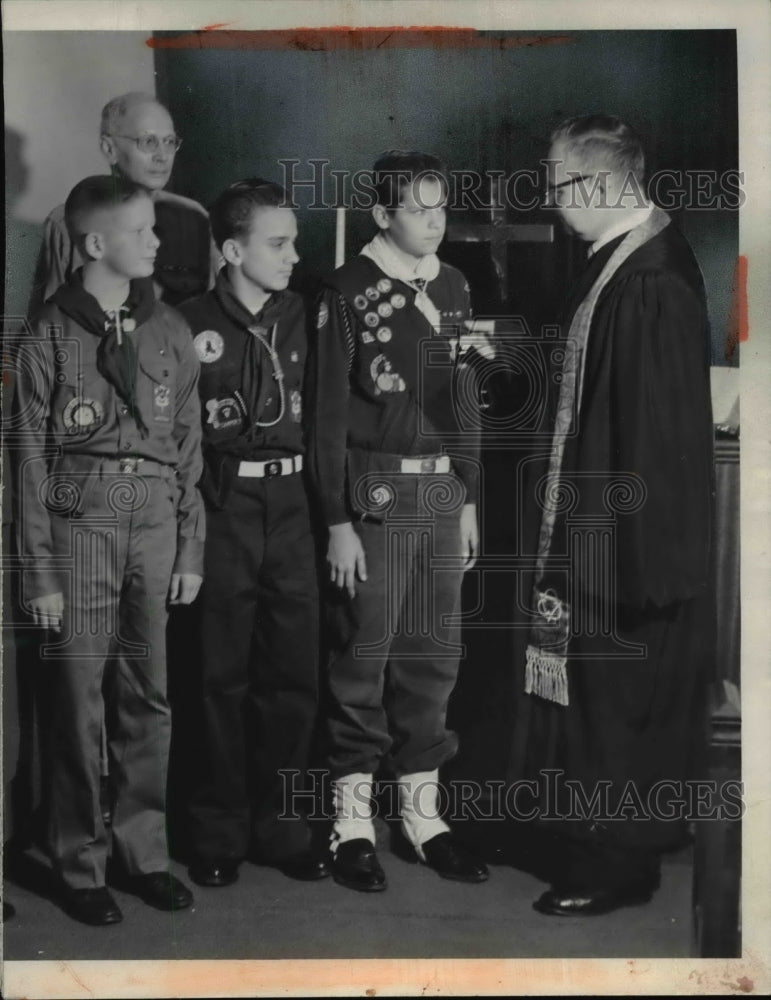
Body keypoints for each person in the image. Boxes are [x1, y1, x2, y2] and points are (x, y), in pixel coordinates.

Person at [510, 114, 715, 916]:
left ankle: (615, 865)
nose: (555, 203)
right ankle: (609, 839)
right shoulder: (620, 260)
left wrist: (636, 563)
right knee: (602, 701)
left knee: (618, 697)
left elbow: (655, 434)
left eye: (560, 185)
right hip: (601, 527)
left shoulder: (648, 280)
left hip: (627, 546)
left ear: (600, 183)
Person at [12, 174, 204, 925]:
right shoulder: (50, 336)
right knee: (77, 700)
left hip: (153, 521)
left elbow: (190, 448)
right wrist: (41, 570)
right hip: (79, 520)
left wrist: (189, 548)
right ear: (96, 244)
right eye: (142, 232)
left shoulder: (170, 330)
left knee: (147, 695)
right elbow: (28, 460)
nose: (157, 244)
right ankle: (77, 861)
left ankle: (142, 854)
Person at [307, 150, 489, 892]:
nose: (434, 221)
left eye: (440, 207)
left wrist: (469, 492)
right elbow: (323, 419)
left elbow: (464, 397)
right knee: (364, 653)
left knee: (433, 654)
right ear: (383, 216)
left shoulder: (452, 284)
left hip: (441, 493)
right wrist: (335, 519)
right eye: (418, 209)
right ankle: (351, 821)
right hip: (372, 492)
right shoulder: (344, 291)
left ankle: (422, 817)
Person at [179, 179, 326, 889]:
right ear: (233, 250)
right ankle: (217, 830)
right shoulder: (185, 323)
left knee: (292, 674)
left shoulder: (308, 317)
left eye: (294, 240)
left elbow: (327, 423)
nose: (294, 255)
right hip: (224, 508)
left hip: (295, 506)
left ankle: (285, 829)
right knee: (218, 675)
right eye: (278, 243)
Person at [29, 91, 217, 312]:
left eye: (169, 142)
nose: (162, 155)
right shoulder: (68, 220)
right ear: (110, 149)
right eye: (148, 142)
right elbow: (53, 326)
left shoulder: (193, 216)